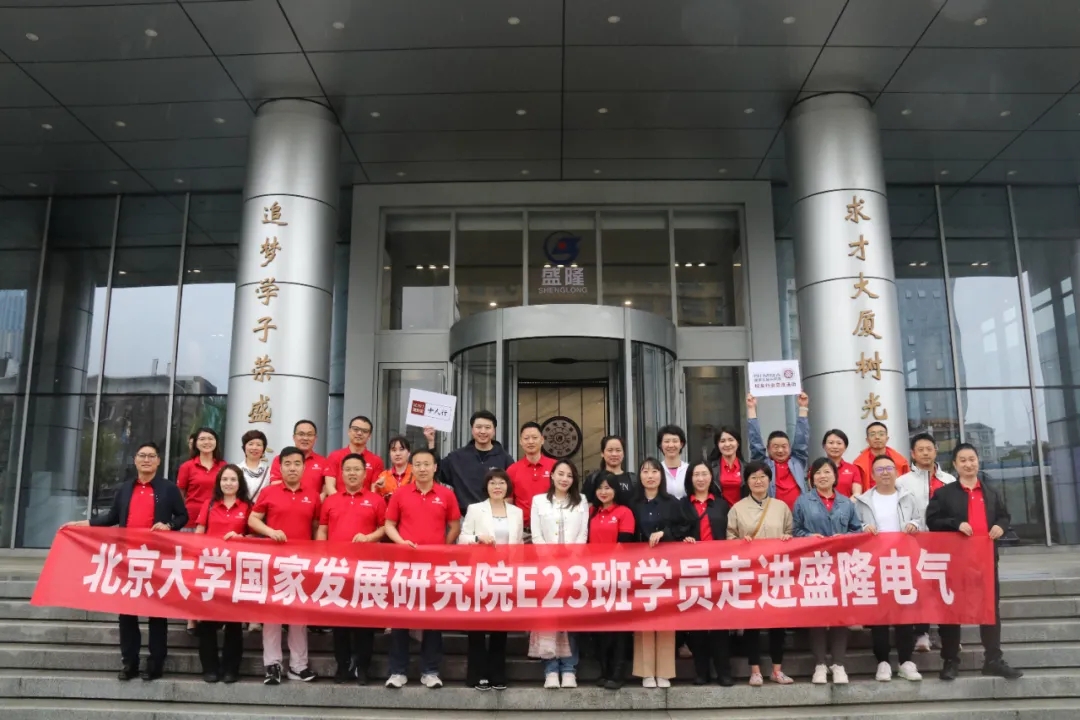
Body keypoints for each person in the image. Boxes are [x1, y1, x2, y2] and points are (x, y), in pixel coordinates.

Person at [66, 442, 187, 682]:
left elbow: (183, 515)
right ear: (135, 460)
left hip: (156, 558)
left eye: (151, 456)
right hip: (127, 558)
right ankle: (129, 662)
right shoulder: (125, 489)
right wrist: (83, 524)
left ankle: (155, 663)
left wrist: (169, 525)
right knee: (127, 613)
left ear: (158, 461)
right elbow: (111, 517)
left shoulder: (168, 489)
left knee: (156, 612)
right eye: (142, 455)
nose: (146, 460)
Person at [927, 443, 1023, 681]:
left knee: (990, 610)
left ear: (978, 461)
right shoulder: (944, 494)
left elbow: (1004, 516)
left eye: (972, 459)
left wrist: (1000, 526)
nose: (968, 464)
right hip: (956, 563)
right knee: (952, 611)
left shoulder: (990, 492)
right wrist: (955, 524)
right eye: (963, 460)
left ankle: (993, 660)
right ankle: (950, 660)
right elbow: (932, 521)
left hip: (985, 563)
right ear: (955, 464)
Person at [384, 447, 462, 689]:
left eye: (427, 464)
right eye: (417, 464)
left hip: (435, 567)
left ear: (435, 467)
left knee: (433, 619)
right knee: (400, 618)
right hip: (405, 564)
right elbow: (389, 524)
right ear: (412, 467)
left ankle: (430, 670)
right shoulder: (401, 493)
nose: (422, 468)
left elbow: (455, 526)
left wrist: (442, 548)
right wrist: (401, 542)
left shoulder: (446, 494)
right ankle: (397, 671)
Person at [249, 446, 321, 685]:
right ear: (280, 467)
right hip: (274, 562)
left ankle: (299, 666)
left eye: (297, 464)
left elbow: (317, 527)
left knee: (299, 615)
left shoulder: (313, 494)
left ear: (304, 467)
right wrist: (270, 532)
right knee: (272, 615)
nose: (292, 468)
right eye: (287, 463)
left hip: (302, 563)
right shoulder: (269, 492)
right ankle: (272, 665)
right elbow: (253, 520)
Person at [793, 457, 866, 685]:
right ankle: (820, 664)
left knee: (839, 615)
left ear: (835, 476)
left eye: (827, 472)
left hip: (841, 566)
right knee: (817, 615)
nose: (822, 476)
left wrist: (845, 537)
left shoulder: (846, 503)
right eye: (817, 473)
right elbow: (795, 530)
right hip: (814, 565)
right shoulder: (803, 501)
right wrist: (808, 536)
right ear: (811, 478)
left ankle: (839, 663)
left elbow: (857, 530)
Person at [853, 455, 923, 682]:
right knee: (879, 615)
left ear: (896, 472)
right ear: (872, 475)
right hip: (875, 563)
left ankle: (906, 661)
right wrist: (864, 528)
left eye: (889, 468)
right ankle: (882, 661)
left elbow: (920, 521)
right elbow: (854, 528)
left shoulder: (907, 497)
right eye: (880, 469)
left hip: (903, 562)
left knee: (905, 613)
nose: (885, 472)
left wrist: (914, 524)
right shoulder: (863, 501)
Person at [316, 453, 385, 685]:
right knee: (340, 622)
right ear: (341, 474)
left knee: (364, 621)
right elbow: (322, 530)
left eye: (357, 469)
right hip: (337, 568)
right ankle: (342, 665)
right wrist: (320, 556)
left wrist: (368, 537)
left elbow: (384, 528)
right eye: (348, 469)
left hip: (366, 569)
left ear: (365, 474)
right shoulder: (331, 500)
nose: (352, 473)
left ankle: (363, 667)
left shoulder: (376, 500)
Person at [727, 460, 794, 685]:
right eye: (753, 477)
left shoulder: (781, 507)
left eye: (763, 476)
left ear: (769, 480)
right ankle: (755, 670)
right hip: (750, 573)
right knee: (752, 623)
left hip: (777, 572)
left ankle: (777, 669)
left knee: (778, 624)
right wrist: (740, 542)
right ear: (746, 481)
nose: (758, 481)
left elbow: (790, 533)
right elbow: (729, 538)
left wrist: (787, 537)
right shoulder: (737, 508)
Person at [628, 457, 692, 688]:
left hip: (666, 567)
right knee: (644, 617)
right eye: (645, 471)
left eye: (655, 471)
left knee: (665, 616)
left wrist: (665, 532)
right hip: (639, 567)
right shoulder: (632, 503)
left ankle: (664, 671)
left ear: (661, 476)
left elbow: (685, 526)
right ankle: (646, 672)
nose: (650, 476)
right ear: (640, 476)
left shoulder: (672, 502)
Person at [459, 469, 523, 690]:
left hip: (505, 574)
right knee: (477, 626)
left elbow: (519, 544)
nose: (497, 487)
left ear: (507, 487)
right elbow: (462, 538)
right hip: (480, 573)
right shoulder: (475, 509)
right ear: (486, 487)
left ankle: (498, 674)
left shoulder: (516, 512)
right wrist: (478, 538)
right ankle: (477, 674)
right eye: (493, 483)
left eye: (501, 483)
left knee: (500, 627)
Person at [530, 459, 589, 689]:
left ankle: (569, 668)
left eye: (569, 475)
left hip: (573, 568)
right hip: (547, 568)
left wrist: (572, 560)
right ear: (552, 475)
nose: (565, 479)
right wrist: (550, 560)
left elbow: (582, 534)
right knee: (549, 619)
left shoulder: (581, 500)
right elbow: (536, 535)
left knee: (570, 618)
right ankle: (551, 669)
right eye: (561, 474)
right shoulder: (539, 501)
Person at [898, 432, 957, 652]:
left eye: (929, 449)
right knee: (920, 588)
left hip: (945, 543)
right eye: (920, 450)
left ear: (936, 451)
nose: (925, 453)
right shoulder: (902, 482)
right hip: (915, 543)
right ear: (912, 454)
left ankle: (946, 634)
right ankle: (921, 632)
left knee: (944, 588)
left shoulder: (949, 480)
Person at [194, 464, 251, 684]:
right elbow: (199, 533)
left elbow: (254, 536)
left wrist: (241, 538)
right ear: (219, 482)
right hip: (211, 569)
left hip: (236, 570)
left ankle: (231, 669)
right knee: (207, 623)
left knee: (234, 623)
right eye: (225, 479)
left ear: (240, 483)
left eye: (233, 479)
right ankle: (210, 668)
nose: (228, 483)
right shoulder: (209, 505)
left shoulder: (247, 506)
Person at [680, 461, 733, 686]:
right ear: (690, 479)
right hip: (692, 570)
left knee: (720, 623)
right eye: (696, 475)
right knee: (697, 624)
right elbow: (675, 531)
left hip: (718, 569)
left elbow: (731, 533)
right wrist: (683, 538)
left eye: (704, 474)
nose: (700, 479)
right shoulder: (682, 505)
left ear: (711, 477)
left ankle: (724, 672)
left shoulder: (721, 504)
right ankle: (701, 672)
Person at [176, 427, 227, 632]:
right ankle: (191, 615)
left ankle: (213, 612)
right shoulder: (187, 466)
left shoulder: (223, 466)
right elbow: (180, 493)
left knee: (214, 570)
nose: (207, 442)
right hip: (191, 523)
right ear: (195, 443)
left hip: (216, 524)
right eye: (202, 439)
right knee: (192, 571)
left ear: (216, 442)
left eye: (210, 438)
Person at [587, 475, 635, 690]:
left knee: (618, 627)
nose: (603, 492)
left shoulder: (624, 512)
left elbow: (624, 544)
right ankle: (604, 670)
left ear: (616, 490)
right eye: (600, 488)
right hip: (594, 576)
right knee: (599, 626)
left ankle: (618, 672)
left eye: (608, 488)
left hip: (617, 575)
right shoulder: (591, 512)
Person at [436, 410, 514, 512]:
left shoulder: (505, 458)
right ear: (472, 430)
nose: (483, 431)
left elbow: (511, 492)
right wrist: (431, 442)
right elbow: (435, 470)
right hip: (464, 516)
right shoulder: (457, 457)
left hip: (495, 515)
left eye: (487, 427)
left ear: (494, 431)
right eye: (478, 427)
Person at [747, 392, 810, 511]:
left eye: (784, 446)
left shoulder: (797, 461)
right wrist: (751, 408)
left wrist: (803, 407)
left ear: (790, 448)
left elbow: (802, 439)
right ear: (768, 448)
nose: (780, 450)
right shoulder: (763, 464)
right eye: (775, 447)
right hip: (772, 516)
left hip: (798, 516)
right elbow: (755, 442)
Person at [506, 422, 555, 542]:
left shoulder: (555, 466)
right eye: (526, 438)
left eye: (534, 437)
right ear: (520, 442)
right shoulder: (513, 470)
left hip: (550, 530)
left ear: (542, 440)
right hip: (523, 532)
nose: (530, 441)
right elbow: (508, 502)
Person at [268, 420, 334, 497]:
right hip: (285, 502)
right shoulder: (280, 459)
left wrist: (318, 500)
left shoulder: (324, 462)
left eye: (309, 435)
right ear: (294, 437)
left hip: (314, 503)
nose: (305, 438)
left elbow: (326, 487)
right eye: (301, 434)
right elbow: (275, 485)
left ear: (315, 438)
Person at [327, 415, 387, 486]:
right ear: (349, 431)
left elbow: (374, 489)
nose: (359, 433)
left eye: (365, 431)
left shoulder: (376, 461)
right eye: (356, 429)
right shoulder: (334, 456)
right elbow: (329, 486)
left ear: (369, 436)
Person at [854, 422, 910, 490]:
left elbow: (908, 485)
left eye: (881, 434)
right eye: (872, 434)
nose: (877, 437)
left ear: (887, 438)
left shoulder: (901, 461)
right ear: (867, 440)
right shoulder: (859, 464)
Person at [582, 435, 636, 506]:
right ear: (602, 453)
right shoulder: (593, 479)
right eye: (610, 450)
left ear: (623, 453)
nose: (614, 454)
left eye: (618, 450)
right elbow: (585, 506)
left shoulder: (633, 480)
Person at [369, 434, 423, 500]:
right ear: (389, 453)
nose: (397, 454)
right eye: (394, 450)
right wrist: (376, 487)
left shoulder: (418, 473)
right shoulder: (383, 476)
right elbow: (376, 500)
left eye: (401, 449)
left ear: (409, 453)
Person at [821, 429, 865, 498]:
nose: (835, 446)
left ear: (845, 447)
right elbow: (813, 493)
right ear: (824, 446)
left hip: (848, 504)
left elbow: (856, 494)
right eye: (831, 443)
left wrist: (845, 504)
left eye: (839, 443)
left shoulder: (853, 469)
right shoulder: (816, 468)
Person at [708, 426, 745, 507]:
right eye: (722, 441)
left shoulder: (746, 468)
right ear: (717, 445)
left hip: (742, 512)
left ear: (738, 443)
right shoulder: (710, 469)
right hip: (719, 512)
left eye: (731, 440)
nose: (727, 444)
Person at [657, 424, 688, 499]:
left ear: (681, 444)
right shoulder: (656, 470)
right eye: (667, 441)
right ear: (660, 445)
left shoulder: (689, 469)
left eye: (675, 441)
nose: (671, 445)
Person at [239, 429, 271, 502]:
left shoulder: (269, 471)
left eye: (258, 445)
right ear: (244, 447)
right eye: (251, 444)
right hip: (240, 508)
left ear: (263, 449)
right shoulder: (236, 469)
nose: (254, 448)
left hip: (262, 508)